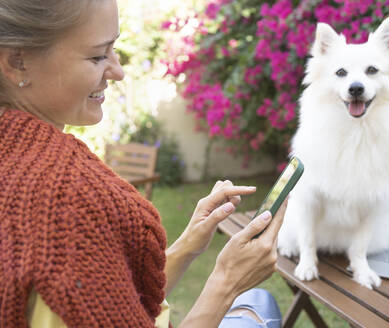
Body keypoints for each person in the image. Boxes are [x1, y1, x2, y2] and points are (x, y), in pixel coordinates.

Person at [0, 1, 285, 327]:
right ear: (17, 62)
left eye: (114, 49)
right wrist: (227, 281)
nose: (118, 71)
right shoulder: (67, 201)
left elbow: (107, 297)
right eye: (97, 56)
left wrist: (188, 245)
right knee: (260, 305)